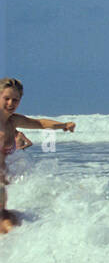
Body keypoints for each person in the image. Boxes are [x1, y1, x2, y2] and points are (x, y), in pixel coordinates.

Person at [1, 77, 77, 234]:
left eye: (15, 100)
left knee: (9, 223)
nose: (11, 103)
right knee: (8, 224)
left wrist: (63, 125)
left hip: (4, 180)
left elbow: (39, 123)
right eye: (6, 98)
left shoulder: (13, 121)